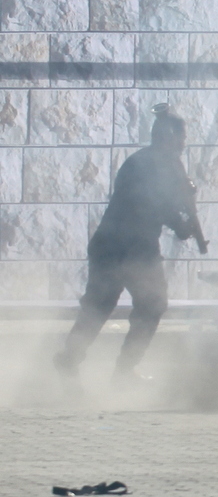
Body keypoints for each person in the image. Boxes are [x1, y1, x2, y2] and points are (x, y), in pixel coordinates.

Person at [54, 105, 205, 380]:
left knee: (142, 305)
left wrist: (185, 206)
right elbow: (153, 202)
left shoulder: (164, 164)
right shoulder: (145, 164)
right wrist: (179, 217)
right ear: (166, 137)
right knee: (118, 305)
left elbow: (172, 203)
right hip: (126, 247)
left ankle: (99, 366)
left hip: (128, 246)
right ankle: (86, 365)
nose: (183, 145)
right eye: (180, 139)